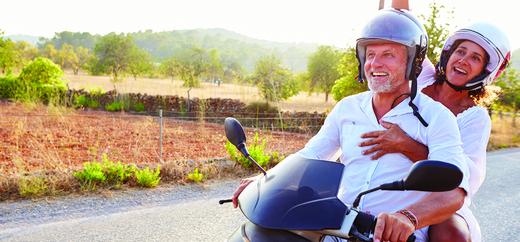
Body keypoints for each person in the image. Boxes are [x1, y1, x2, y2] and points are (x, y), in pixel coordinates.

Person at [232, 9, 471, 242]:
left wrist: (408, 217)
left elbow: (454, 191)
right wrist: (266, 181)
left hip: (394, 236)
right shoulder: (348, 108)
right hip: (337, 230)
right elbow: (312, 154)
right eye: (370, 54)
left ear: (412, 62)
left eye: (388, 54)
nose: (375, 63)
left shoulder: (437, 117)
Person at [359, 21, 511, 242]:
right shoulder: (422, 77)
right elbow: (404, 22)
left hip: (437, 197)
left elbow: (462, 177)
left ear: (484, 72)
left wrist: (406, 145)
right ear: (448, 54)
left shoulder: (475, 117)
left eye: (475, 58)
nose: (463, 60)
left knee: (452, 234)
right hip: (390, 179)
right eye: (460, 51)